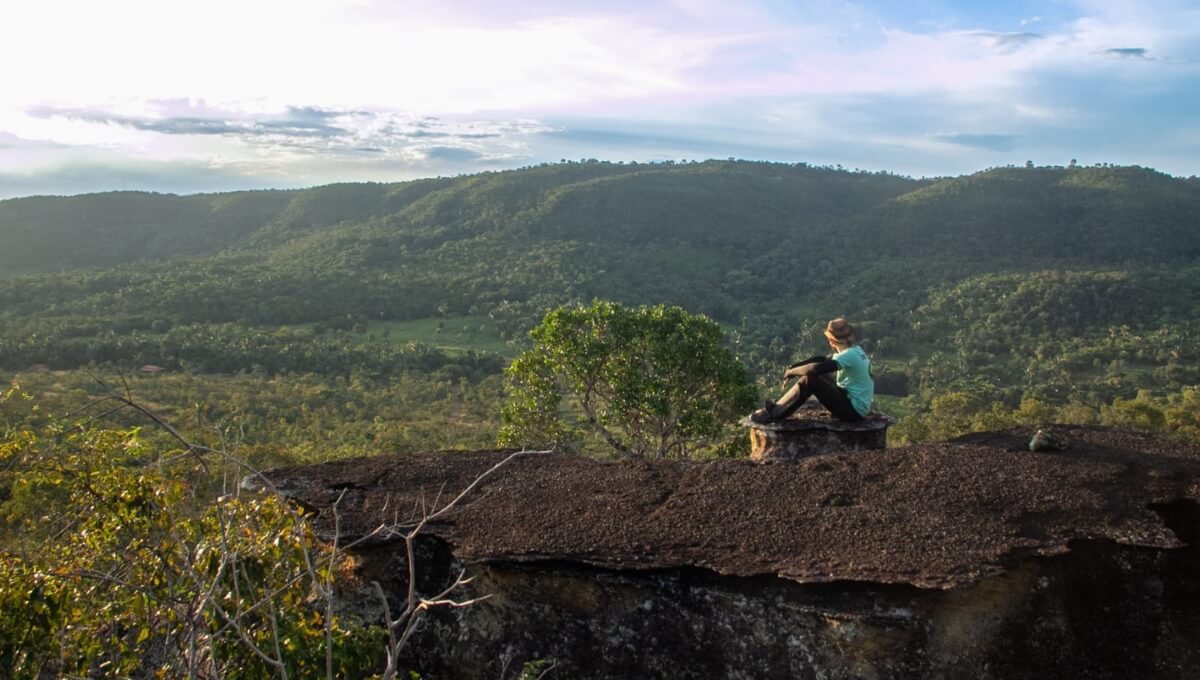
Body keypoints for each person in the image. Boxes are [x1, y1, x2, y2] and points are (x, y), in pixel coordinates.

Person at [751, 318, 874, 422]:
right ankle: (777, 407)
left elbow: (814, 369)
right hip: (853, 404)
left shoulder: (848, 355)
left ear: (831, 340)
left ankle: (774, 414)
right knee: (820, 375)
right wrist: (795, 366)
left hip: (853, 411)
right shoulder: (855, 350)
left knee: (810, 379)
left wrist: (791, 372)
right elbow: (821, 360)